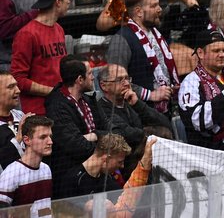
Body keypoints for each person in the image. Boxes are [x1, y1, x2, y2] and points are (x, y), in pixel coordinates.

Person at [105, 0, 179, 115]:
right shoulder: (121, 40)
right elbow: (114, 82)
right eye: (154, 6)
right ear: (139, 12)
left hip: (164, 112)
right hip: (139, 116)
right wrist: (151, 95)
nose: (159, 9)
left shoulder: (156, 34)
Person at [45, 55, 111, 198]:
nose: (93, 77)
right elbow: (75, 145)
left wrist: (94, 135)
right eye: (89, 74)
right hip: (72, 178)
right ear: (79, 80)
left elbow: (110, 130)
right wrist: (101, 139)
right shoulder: (57, 106)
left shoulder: (88, 99)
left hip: (97, 166)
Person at [11, 0, 69, 116]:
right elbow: (17, 79)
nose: (69, 2)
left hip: (60, 107)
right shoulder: (26, 34)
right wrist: (52, 91)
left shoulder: (59, 29)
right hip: (38, 113)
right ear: (58, 2)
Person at [60, 136, 158, 216]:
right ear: (106, 159)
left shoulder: (108, 179)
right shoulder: (73, 179)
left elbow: (127, 199)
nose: (122, 166)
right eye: (120, 162)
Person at [97, 63, 171, 151]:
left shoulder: (131, 102)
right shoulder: (100, 110)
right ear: (104, 86)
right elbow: (127, 135)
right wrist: (150, 134)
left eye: (127, 78)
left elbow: (165, 123)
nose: (127, 83)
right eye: (119, 80)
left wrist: (137, 104)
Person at [0, 115, 53, 216]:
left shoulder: (46, 169)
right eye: (43, 137)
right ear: (27, 140)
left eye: (50, 136)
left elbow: (45, 210)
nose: (50, 142)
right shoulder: (12, 173)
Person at [0, 71, 31, 170]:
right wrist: (19, 137)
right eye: (11, 87)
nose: (18, 91)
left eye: (16, 86)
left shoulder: (20, 115)